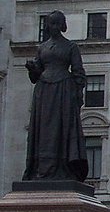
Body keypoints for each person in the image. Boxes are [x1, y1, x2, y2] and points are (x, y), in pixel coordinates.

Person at [23, 10, 88, 182]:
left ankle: (64, 167)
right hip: (44, 92)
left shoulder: (71, 47)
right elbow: (34, 77)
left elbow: (79, 73)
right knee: (43, 131)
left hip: (63, 92)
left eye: (58, 23)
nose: (55, 27)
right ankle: (40, 168)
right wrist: (32, 68)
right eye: (52, 23)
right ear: (47, 25)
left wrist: (77, 96)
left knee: (61, 129)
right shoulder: (42, 48)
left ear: (63, 25)